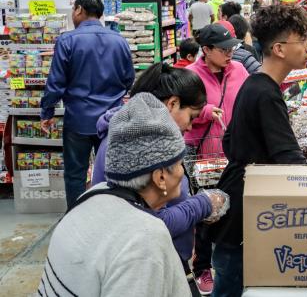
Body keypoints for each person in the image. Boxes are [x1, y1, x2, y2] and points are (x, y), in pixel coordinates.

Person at [37, 93, 228, 297]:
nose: (183, 172)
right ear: (160, 177)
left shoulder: (92, 196)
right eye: (179, 164)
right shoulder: (145, 239)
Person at [209, 4, 307, 297]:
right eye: (302, 39)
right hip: (244, 219)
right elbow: (291, 161)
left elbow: (230, 141)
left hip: (238, 207)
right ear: (279, 49)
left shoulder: (254, 84)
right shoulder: (267, 94)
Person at [90, 63, 228, 283]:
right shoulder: (133, 147)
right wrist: (203, 204)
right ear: (172, 104)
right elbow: (149, 220)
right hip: (147, 266)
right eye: (191, 117)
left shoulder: (143, 138)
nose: (191, 127)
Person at [40, 0, 134, 208]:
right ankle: (113, 212)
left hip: (78, 120)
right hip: (112, 119)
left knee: (75, 174)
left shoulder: (67, 40)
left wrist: (47, 112)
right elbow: (129, 79)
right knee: (113, 170)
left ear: (80, 10)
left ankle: (76, 216)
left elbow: (55, 83)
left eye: (74, 9)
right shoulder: (119, 40)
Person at [185, 24, 249, 295]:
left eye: (231, 48)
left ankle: (227, 265)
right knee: (204, 212)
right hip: (200, 153)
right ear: (206, 50)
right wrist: (205, 112)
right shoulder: (189, 76)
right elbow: (178, 108)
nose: (229, 54)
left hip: (232, 155)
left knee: (229, 212)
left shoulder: (240, 71)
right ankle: (202, 268)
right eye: (223, 49)